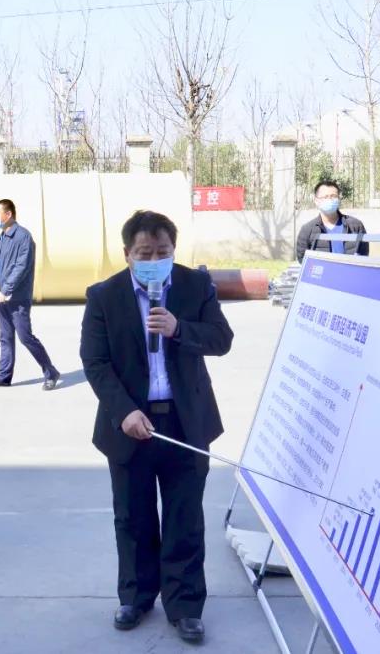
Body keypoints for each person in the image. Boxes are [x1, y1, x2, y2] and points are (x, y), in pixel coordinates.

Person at [80, 210, 234, 645]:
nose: (153, 260)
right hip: (131, 423)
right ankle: (136, 596)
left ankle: (185, 605)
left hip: (186, 422)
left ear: (173, 250)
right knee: (133, 516)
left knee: (185, 516)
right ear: (126, 253)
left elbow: (221, 339)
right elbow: (95, 361)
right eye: (144, 253)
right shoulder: (104, 296)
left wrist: (179, 328)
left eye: (162, 252)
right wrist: (124, 411)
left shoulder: (194, 286)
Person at [0, 198, 60, 390]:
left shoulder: (24, 237)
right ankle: (4, 376)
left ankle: (51, 372)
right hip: (2, 298)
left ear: (8, 214)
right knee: (5, 337)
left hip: (18, 299)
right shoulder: (0, 238)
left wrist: (5, 290)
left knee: (25, 337)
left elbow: (21, 267)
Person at [296, 179, 369, 262]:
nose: (329, 200)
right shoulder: (307, 229)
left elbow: (364, 254)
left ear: (339, 199)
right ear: (316, 201)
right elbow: (302, 258)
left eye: (333, 196)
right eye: (325, 197)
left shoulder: (355, 225)